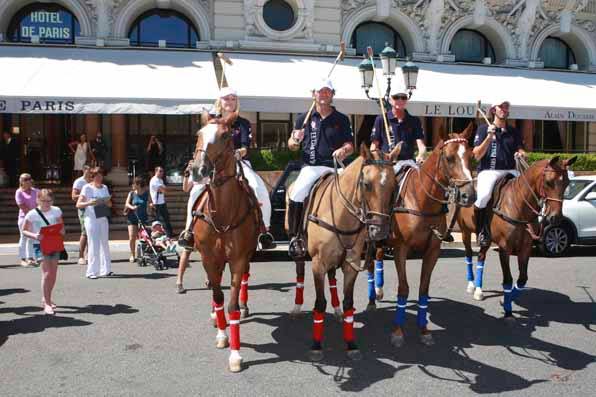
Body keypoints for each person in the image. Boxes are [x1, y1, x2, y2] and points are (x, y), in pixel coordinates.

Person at [177, 87, 276, 250]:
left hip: (238, 162)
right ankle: (188, 231)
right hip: (211, 163)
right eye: (226, 99)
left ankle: (264, 232)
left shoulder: (242, 122)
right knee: (195, 190)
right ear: (219, 102)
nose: (229, 102)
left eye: (233, 99)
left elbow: (246, 147)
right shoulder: (211, 121)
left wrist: (237, 153)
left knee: (260, 189)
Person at [286, 79, 354, 258]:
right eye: (320, 91)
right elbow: (291, 146)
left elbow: (350, 145)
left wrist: (343, 150)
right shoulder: (303, 118)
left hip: (334, 167)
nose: (324, 94)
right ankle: (295, 237)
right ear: (313, 94)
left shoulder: (342, 119)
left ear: (332, 94)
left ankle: (357, 233)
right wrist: (295, 140)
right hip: (312, 167)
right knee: (297, 193)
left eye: (327, 91)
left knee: (355, 190)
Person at [472, 99, 526, 247]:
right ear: (493, 110)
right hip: (489, 171)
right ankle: (481, 230)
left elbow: (521, 149)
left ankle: (529, 228)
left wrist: (521, 154)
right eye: (501, 107)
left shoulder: (513, 131)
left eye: (506, 107)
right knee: (483, 197)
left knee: (527, 193)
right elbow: (476, 155)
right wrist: (489, 138)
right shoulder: (483, 129)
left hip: (510, 171)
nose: (504, 109)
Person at [21, 189, 64, 315]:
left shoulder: (56, 210)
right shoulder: (32, 214)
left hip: (55, 243)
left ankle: (47, 298)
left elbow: (61, 225)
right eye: (43, 200)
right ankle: (47, 303)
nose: (46, 203)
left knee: (53, 273)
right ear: (37, 200)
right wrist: (35, 235)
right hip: (39, 244)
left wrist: (62, 231)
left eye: (49, 201)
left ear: (53, 200)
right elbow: (24, 230)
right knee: (46, 273)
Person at [77, 167, 113, 279]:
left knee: (104, 244)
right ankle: (91, 271)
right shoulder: (87, 187)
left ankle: (106, 269)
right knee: (93, 244)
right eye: (97, 176)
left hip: (102, 217)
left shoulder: (105, 187)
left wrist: (107, 202)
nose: (99, 178)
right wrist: (89, 202)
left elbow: (110, 205)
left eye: (101, 175)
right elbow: (78, 204)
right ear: (92, 177)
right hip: (91, 218)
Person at [15, 173, 39, 266]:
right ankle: (23, 259)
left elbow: (41, 202)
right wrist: (32, 215)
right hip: (24, 219)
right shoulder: (19, 192)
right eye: (25, 179)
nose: (28, 181)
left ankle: (30, 258)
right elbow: (22, 206)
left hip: (35, 218)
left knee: (32, 238)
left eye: (29, 178)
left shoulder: (36, 191)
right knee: (24, 237)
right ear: (21, 181)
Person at [124, 176, 150, 262]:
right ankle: (132, 254)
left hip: (143, 217)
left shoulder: (146, 193)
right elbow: (127, 204)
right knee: (132, 236)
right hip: (132, 217)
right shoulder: (131, 193)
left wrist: (151, 206)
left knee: (145, 237)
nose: (132, 185)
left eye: (134, 183)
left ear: (138, 184)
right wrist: (132, 207)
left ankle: (145, 253)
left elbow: (150, 203)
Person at [71, 165, 92, 265]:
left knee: (92, 231)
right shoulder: (79, 182)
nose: (90, 173)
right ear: (84, 170)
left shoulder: (94, 180)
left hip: (94, 208)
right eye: (88, 170)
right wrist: (84, 195)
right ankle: (81, 255)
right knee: (85, 231)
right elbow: (73, 196)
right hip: (83, 208)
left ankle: (89, 253)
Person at [149, 166, 173, 237]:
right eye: (160, 171)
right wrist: (163, 189)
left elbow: (164, 190)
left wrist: (163, 189)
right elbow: (163, 190)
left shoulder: (160, 180)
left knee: (166, 219)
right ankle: (156, 235)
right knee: (157, 221)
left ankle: (169, 234)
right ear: (156, 171)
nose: (162, 173)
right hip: (156, 203)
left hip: (162, 202)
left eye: (162, 171)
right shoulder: (154, 180)